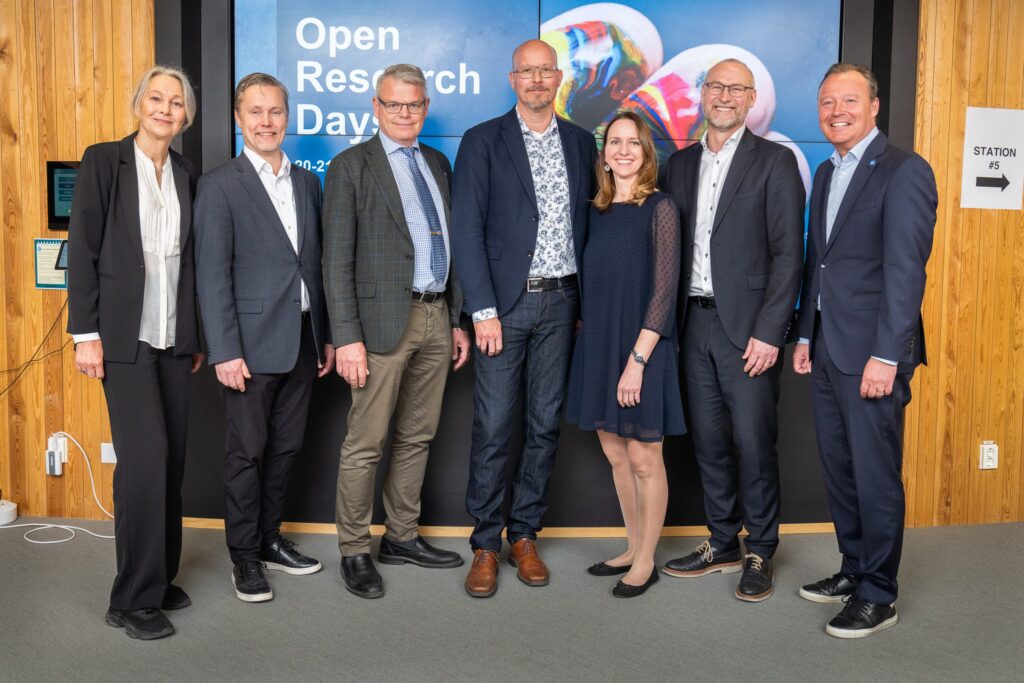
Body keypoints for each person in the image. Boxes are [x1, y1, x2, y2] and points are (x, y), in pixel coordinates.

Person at [792, 63, 936, 638]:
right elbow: (819, 263)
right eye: (827, 102)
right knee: (842, 471)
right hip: (828, 347)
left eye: (848, 100)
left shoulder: (905, 171)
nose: (836, 112)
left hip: (873, 354)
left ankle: (880, 593)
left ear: (874, 106)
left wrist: (887, 354)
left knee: (875, 476)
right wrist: (805, 334)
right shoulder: (828, 171)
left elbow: (906, 273)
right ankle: (854, 570)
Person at [451, 39, 597, 597]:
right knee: (493, 426)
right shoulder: (483, 141)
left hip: (564, 305)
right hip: (504, 309)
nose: (537, 80)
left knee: (544, 423)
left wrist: (587, 305)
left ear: (559, 77)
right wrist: (482, 311)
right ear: (512, 79)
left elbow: (593, 224)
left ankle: (525, 534)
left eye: (545, 71)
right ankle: (486, 542)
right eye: (526, 72)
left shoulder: (583, 143)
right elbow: (467, 228)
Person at [322, 64, 470, 600]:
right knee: (366, 443)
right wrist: (348, 337)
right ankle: (355, 548)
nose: (404, 114)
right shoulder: (350, 166)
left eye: (414, 105)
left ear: (425, 107)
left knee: (417, 435)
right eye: (394, 105)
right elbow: (335, 261)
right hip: (379, 325)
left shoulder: (437, 163)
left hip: (435, 315)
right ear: (376, 107)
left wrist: (454, 320)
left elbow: (448, 244)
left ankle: (402, 536)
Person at [67, 65, 203, 640]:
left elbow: (189, 259)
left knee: (169, 464)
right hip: (122, 338)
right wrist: (85, 333)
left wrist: (195, 334)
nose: (165, 108)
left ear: (185, 116)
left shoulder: (187, 173)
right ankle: (131, 598)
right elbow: (82, 247)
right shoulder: (104, 161)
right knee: (144, 462)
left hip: (174, 337)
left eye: (176, 102)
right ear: (139, 104)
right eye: (156, 98)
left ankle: (158, 575)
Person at [662, 59, 805, 602]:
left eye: (735, 89)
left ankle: (761, 548)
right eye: (715, 86)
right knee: (710, 443)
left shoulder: (775, 162)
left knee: (752, 442)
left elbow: (789, 252)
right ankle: (722, 541)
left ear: (750, 101)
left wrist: (771, 332)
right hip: (691, 324)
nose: (724, 96)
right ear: (702, 95)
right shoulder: (678, 163)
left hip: (748, 332)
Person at [194, 72, 335, 604]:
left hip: (301, 338)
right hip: (248, 347)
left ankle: (272, 539)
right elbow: (211, 275)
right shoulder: (220, 185)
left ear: (287, 116)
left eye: (275, 111)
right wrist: (224, 350)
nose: (266, 122)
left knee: (286, 449)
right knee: (246, 453)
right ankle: (244, 557)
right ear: (238, 118)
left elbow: (311, 265)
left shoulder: (306, 183)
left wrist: (323, 334)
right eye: (255, 112)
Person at [566, 112, 683, 598]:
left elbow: (663, 292)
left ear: (646, 152)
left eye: (633, 143)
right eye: (615, 142)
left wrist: (636, 361)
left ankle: (647, 560)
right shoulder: (594, 209)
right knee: (614, 452)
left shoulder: (660, 208)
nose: (624, 150)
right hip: (598, 342)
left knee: (643, 456)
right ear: (604, 152)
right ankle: (632, 546)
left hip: (642, 346)